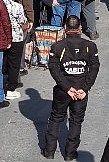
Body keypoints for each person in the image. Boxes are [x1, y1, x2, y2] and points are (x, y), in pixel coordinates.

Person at [42, 15, 100, 161]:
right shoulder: (90, 46)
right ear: (80, 28)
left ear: (65, 28)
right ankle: (70, 154)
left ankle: (49, 151)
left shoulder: (58, 46)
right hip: (80, 91)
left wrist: (67, 88)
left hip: (63, 90)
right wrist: (85, 89)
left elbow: (53, 69)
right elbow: (94, 68)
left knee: (56, 118)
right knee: (76, 121)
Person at [0, 0, 27, 100]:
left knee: (1, 62)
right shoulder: (17, 6)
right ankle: (11, 88)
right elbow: (22, 21)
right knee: (14, 64)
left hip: (2, 37)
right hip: (16, 37)